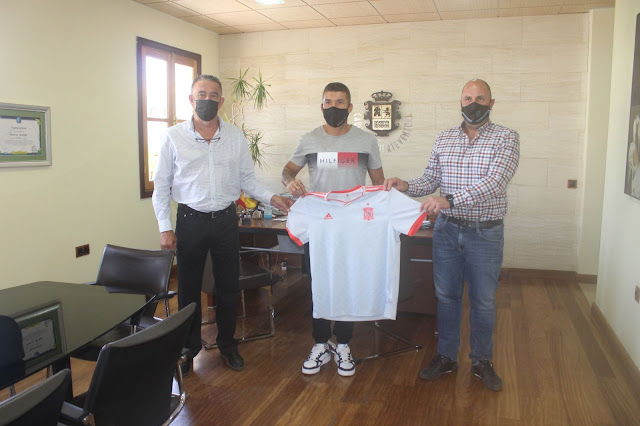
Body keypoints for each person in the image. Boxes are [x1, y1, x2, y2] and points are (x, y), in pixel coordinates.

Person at [384, 79, 519, 391]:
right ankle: (446, 357)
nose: (474, 103)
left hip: (484, 233)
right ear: (460, 102)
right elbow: (431, 179)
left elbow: (495, 183)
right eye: (468, 98)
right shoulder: (444, 138)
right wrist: (407, 185)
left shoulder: (506, 137)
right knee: (446, 297)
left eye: (480, 98)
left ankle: (482, 361)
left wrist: (450, 200)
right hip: (446, 231)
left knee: (483, 300)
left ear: (491, 104)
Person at [152, 75, 293, 375]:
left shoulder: (235, 137)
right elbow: (161, 186)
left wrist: (273, 199)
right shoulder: (173, 137)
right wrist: (165, 228)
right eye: (201, 94)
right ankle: (189, 349)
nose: (207, 99)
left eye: (213, 95)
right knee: (188, 291)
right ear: (191, 99)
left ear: (221, 101)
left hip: (226, 221)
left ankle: (228, 344)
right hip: (190, 221)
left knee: (228, 287)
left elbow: (248, 180)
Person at [281, 82, 385, 377]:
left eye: (340, 102)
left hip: (353, 227)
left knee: (348, 282)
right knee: (319, 283)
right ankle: (319, 343)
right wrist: (290, 182)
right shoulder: (309, 139)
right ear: (322, 106)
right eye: (329, 102)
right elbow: (287, 170)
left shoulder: (366, 141)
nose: (334, 107)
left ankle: (343, 344)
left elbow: (379, 184)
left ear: (350, 107)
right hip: (320, 225)